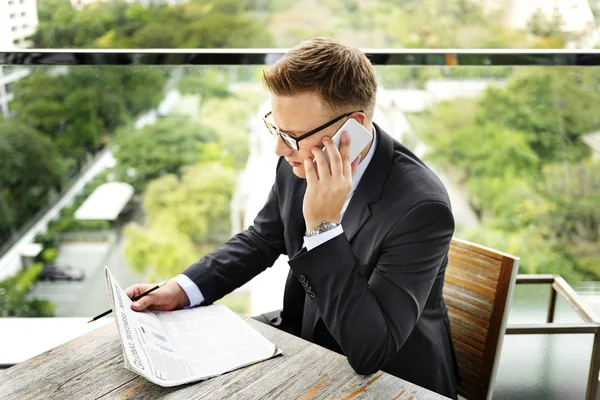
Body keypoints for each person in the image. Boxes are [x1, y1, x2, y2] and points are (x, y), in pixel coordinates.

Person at [125, 37, 459, 398]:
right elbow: (261, 239)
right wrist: (182, 289)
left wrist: (322, 229)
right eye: (277, 128)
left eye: (293, 136)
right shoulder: (298, 161)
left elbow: (370, 351)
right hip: (305, 344)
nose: (279, 149)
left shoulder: (421, 208)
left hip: (391, 381)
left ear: (353, 128)